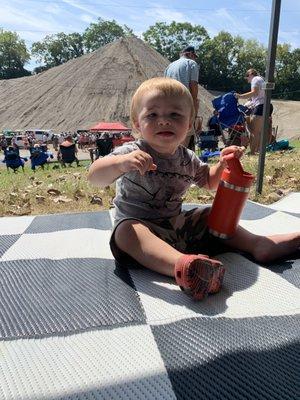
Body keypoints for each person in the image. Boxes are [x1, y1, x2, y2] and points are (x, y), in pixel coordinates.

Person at [88, 77, 300, 301]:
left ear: (190, 124)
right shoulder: (132, 151)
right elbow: (95, 177)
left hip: (176, 229)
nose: (164, 121)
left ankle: (258, 244)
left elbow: (209, 183)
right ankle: (182, 265)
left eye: (175, 115)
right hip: (140, 231)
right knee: (125, 231)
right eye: (152, 115)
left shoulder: (187, 158)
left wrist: (222, 165)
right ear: (137, 124)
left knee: (211, 214)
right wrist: (121, 164)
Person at [164, 45, 201, 150]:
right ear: (190, 54)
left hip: (168, 104)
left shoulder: (169, 66)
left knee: (172, 134)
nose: (194, 58)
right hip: (184, 103)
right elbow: (193, 85)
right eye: (194, 56)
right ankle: (179, 161)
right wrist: (195, 105)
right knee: (186, 132)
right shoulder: (191, 63)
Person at [235, 68, 273, 155]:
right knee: (259, 131)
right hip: (267, 105)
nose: (247, 80)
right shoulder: (261, 79)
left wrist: (240, 96)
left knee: (254, 131)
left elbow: (254, 92)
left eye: (247, 77)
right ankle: (258, 151)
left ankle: (252, 152)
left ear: (251, 74)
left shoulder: (255, 79)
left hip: (261, 106)